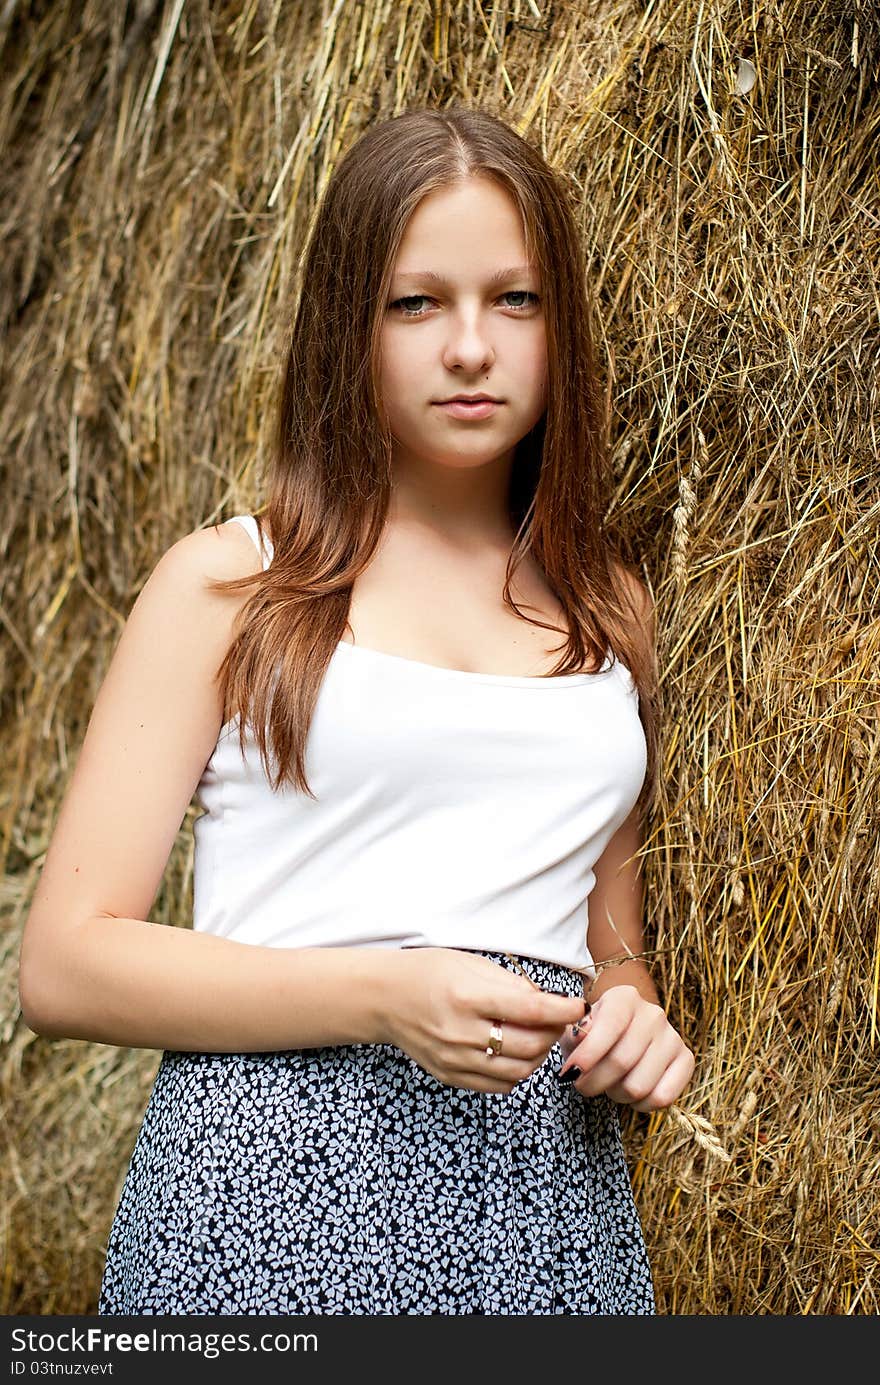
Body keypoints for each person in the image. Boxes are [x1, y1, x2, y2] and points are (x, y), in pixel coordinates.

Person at [18, 104, 694, 1316]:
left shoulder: (608, 610)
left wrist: (632, 1016)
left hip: (544, 1211)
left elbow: (612, 948)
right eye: (416, 302)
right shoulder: (233, 586)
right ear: (348, 322)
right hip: (271, 1189)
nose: (472, 347)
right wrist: (381, 994)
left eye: (516, 300)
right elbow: (66, 963)